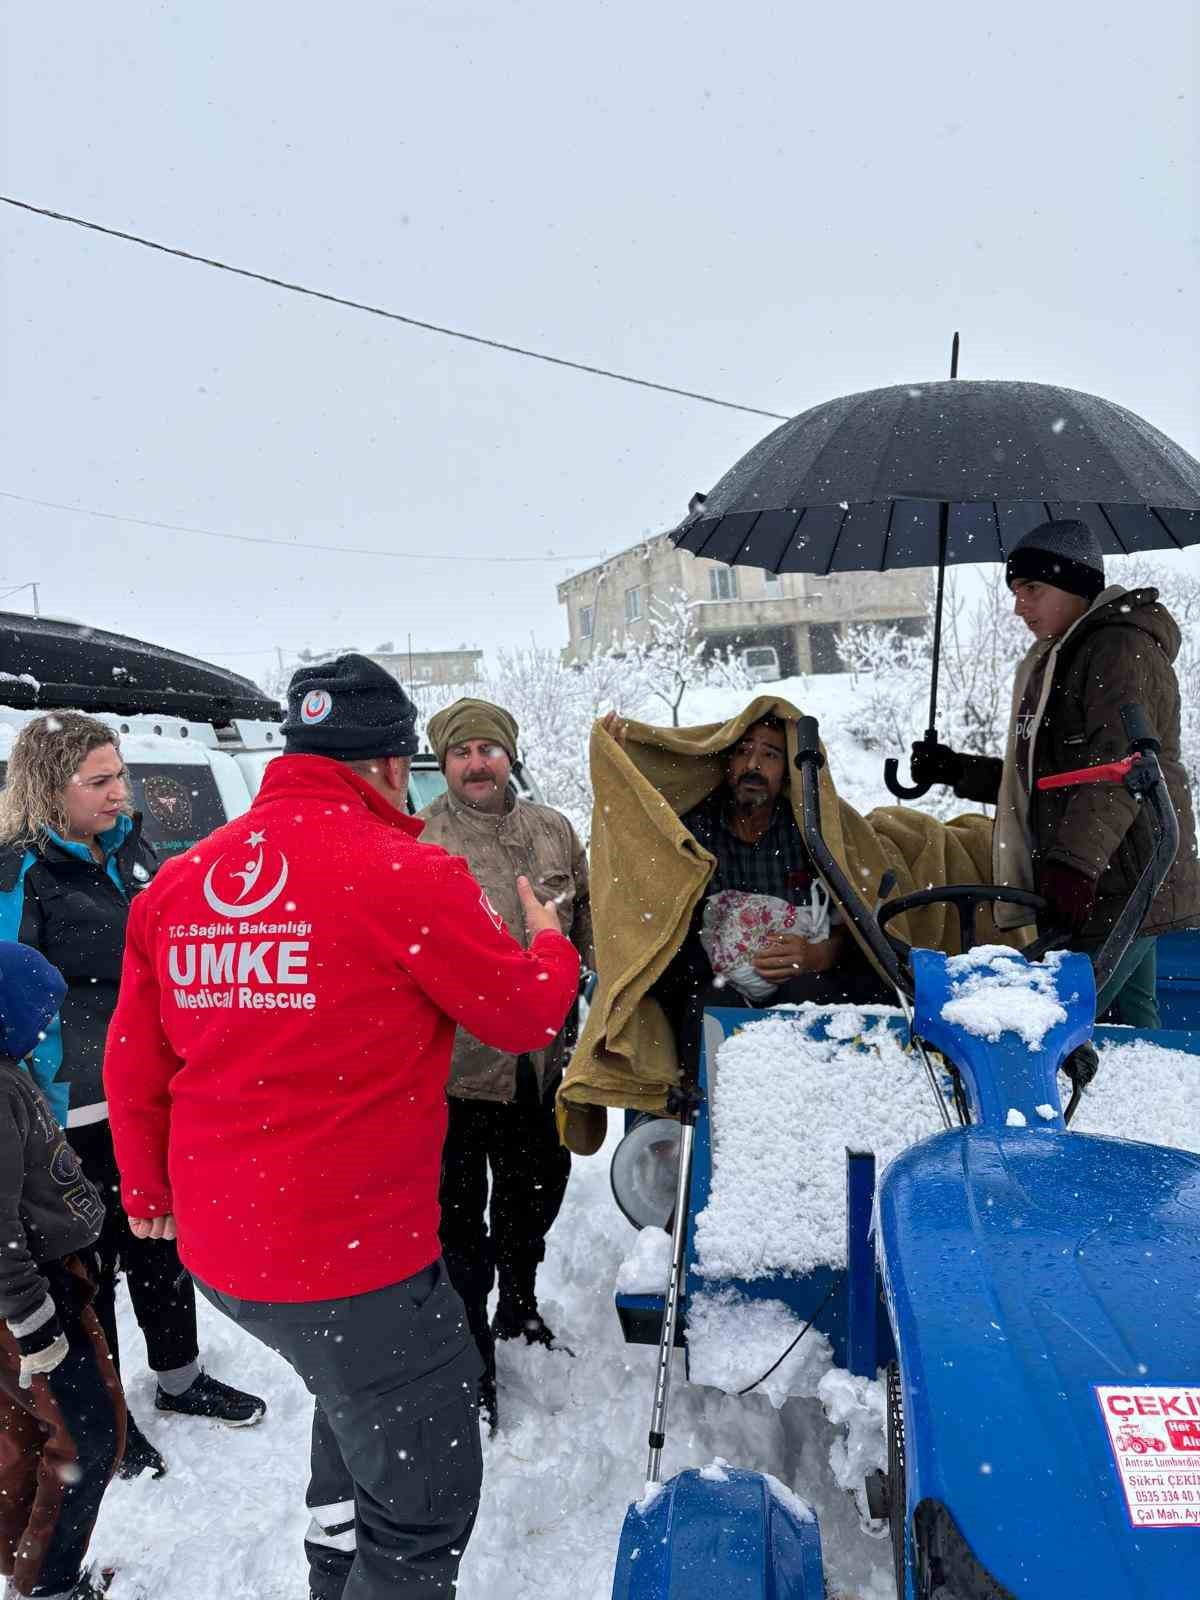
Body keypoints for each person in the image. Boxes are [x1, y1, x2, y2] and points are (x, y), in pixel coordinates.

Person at [102, 655, 581, 1600]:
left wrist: (147, 1190)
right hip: (352, 1259)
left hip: (226, 1250)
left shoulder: (182, 882)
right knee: (424, 1497)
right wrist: (551, 937)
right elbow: (525, 1016)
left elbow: (135, 1056)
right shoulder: (404, 874)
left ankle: (333, 1561)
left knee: (350, 1396)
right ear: (397, 766)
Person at [0, 712, 265, 1483]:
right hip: (65, 1110)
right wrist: (35, 1103)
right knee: (90, 1263)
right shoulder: (20, 872)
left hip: (144, 1095)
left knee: (160, 1236)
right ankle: (110, 1419)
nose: (121, 793)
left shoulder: (133, 854)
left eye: (121, 775)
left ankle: (181, 1379)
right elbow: (7, 989)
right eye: (101, 781)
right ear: (52, 789)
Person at [910, 518, 1200, 1024]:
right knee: (1133, 1026)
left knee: (1066, 1024)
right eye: (1015, 591)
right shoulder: (1065, 656)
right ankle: (1156, 1103)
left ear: (1076, 585)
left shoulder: (1117, 649)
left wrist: (1074, 867)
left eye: (1032, 589)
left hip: (1120, 874)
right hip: (1119, 871)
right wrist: (956, 770)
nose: (1019, 606)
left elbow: (1120, 769)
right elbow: (1049, 779)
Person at [420, 698, 593, 1430]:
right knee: (456, 1220)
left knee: (535, 1196)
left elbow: (589, 932)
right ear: (444, 763)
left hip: (541, 1066)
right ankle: (469, 1357)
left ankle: (518, 1302)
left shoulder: (553, 830)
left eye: (490, 748)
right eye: (462, 752)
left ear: (511, 755)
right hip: (455, 1070)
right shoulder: (422, 840)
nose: (477, 762)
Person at [607, 711, 892, 1063]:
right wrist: (619, 760)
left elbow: (855, 921)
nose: (753, 764)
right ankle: (700, 1109)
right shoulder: (695, 829)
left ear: (787, 771)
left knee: (815, 1003)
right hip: (713, 985)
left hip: (800, 985)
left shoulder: (808, 832)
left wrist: (818, 955)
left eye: (770, 755)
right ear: (727, 763)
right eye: (743, 751)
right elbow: (638, 838)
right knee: (705, 1010)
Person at [0, 940, 123, 1600]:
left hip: (39, 1281)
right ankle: (48, 1583)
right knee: (88, 1437)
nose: (45, 1027)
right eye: (36, 1013)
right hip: (29, 1294)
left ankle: (24, 1555)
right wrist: (33, 1321)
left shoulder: (7, 1072)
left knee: (29, 1428)